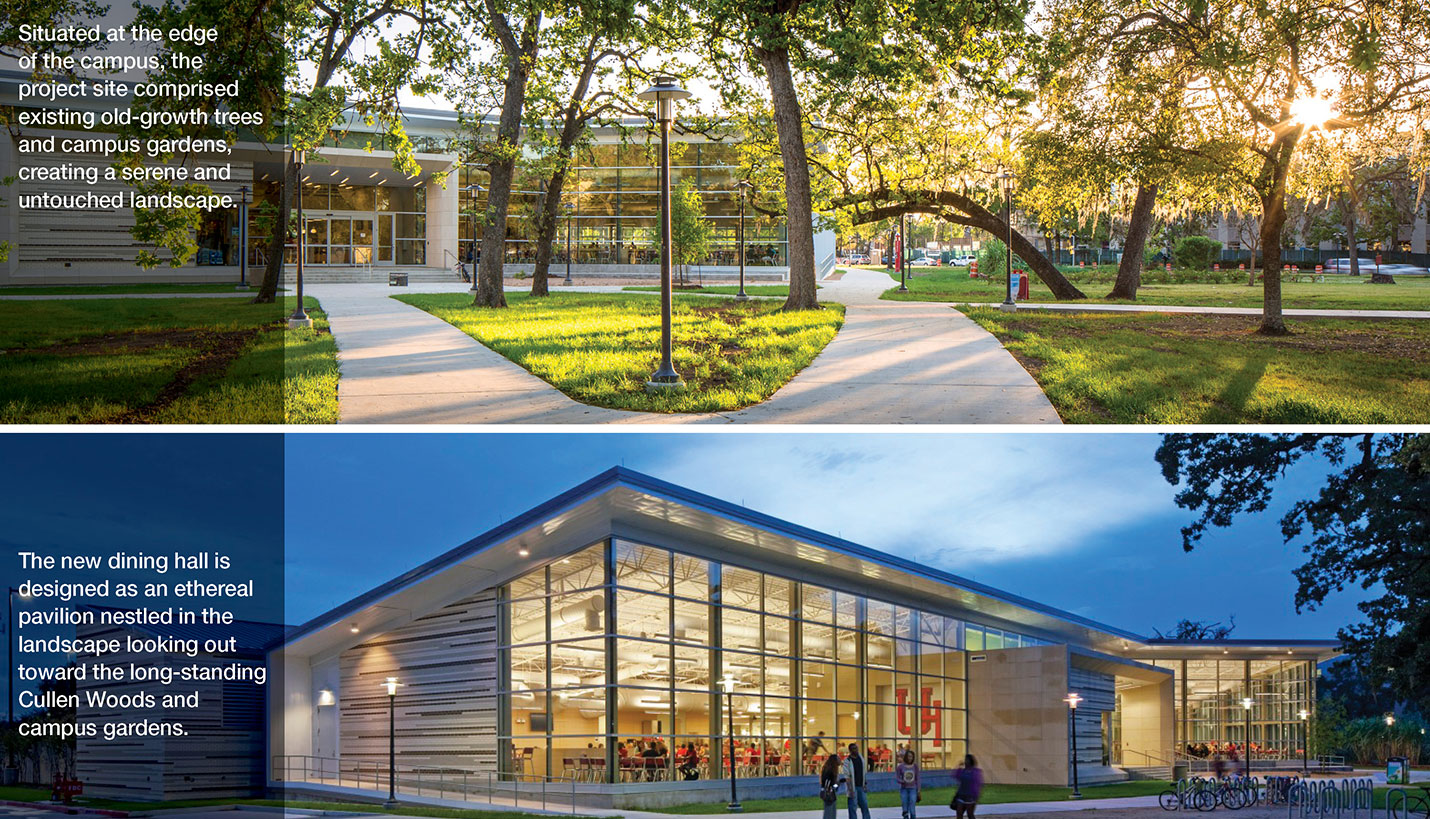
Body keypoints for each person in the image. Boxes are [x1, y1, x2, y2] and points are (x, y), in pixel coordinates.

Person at [840, 743, 872, 819]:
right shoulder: (847, 761)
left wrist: (865, 784)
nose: (856, 750)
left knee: (864, 805)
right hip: (853, 788)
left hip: (861, 786)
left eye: (857, 748)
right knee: (852, 807)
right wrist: (850, 790)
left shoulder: (860, 758)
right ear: (850, 750)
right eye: (854, 748)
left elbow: (863, 773)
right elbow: (847, 776)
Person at [950, 754, 982, 819]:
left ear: (971, 761)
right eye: (965, 759)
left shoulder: (975, 771)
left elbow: (978, 784)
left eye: (967, 760)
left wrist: (976, 797)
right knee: (959, 814)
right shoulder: (963, 771)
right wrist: (958, 766)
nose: (965, 761)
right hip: (961, 795)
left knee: (970, 814)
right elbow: (954, 775)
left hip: (970, 796)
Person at [895, 749, 921, 819]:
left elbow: (918, 778)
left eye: (911, 757)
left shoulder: (915, 766)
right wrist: (902, 781)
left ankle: (913, 816)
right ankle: (905, 815)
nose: (910, 758)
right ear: (906, 757)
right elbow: (897, 778)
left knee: (912, 803)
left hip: (913, 788)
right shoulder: (900, 767)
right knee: (904, 803)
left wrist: (918, 790)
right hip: (904, 789)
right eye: (909, 756)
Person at [819, 752, 844, 819]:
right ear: (835, 761)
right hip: (829, 795)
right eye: (839, 759)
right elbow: (829, 784)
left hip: (830, 794)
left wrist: (840, 781)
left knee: (831, 813)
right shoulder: (830, 771)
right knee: (829, 813)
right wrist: (837, 784)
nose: (840, 760)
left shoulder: (830, 769)